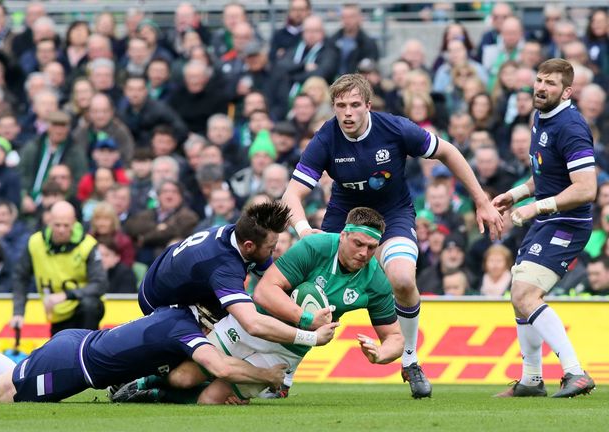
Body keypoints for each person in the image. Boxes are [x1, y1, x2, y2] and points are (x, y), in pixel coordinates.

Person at [281, 73, 503, 398]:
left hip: (392, 215)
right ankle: (285, 374)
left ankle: (410, 359)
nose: (347, 113)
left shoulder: (395, 129)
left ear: (368, 106)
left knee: (401, 278)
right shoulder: (326, 137)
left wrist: (481, 200)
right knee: (313, 296)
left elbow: (450, 152)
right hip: (345, 220)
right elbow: (291, 195)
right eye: (340, 105)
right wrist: (304, 232)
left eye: (355, 105)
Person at [112, 207, 402, 403]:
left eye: (371, 248)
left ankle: (153, 396)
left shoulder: (375, 280)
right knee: (184, 376)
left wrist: (381, 354)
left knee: (209, 400)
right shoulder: (315, 248)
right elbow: (264, 292)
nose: (364, 253)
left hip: (288, 350)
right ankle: (139, 380)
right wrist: (307, 321)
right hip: (258, 323)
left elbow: (395, 338)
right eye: (358, 244)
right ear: (343, 235)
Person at [0, 309, 286, 404]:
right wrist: (267, 376)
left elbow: (186, 375)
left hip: (74, 343)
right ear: (205, 318)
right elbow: (219, 366)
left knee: (14, 375)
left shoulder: (172, 316)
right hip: (75, 366)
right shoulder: (186, 333)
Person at [492, 59, 596, 398]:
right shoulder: (540, 117)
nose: (541, 87)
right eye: (539, 80)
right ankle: (531, 380)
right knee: (517, 297)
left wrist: (536, 206)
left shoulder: (571, 126)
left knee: (525, 294)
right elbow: (545, 175)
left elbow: (585, 188)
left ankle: (575, 372)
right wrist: (515, 194)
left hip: (568, 222)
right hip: (547, 219)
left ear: (567, 91)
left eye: (550, 83)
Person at [138, 200, 338, 350]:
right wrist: (309, 333)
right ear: (249, 247)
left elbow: (274, 282)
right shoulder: (224, 267)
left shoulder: (240, 234)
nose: (274, 252)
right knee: (208, 349)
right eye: (270, 248)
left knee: (231, 324)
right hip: (159, 300)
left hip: (181, 282)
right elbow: (253, 325)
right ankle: (145, 381)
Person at [10, 201, 108, 336]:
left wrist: (66, 295)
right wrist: (18, 312)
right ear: (49, 221)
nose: (61, 230)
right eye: (57, 225)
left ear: (74, 223)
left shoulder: (88, 245)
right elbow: (21, 277)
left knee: (90, 305)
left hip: (83, 309)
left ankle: (86, 345)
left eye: (66, 225)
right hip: (56, 313)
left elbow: (100, 284)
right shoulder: (35, 242)